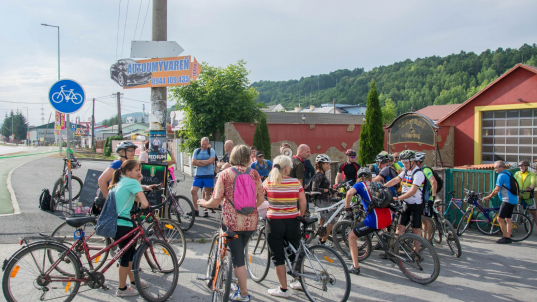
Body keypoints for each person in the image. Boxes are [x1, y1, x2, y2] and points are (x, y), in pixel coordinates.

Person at [197, 145, 265, 301]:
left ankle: (244, 294)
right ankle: (239, 288)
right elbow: (261, 199)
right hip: (250, 222)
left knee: (238, 259)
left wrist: (204, 203)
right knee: (240, 253)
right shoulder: (254, 174)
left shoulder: (225, 174)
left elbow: (215, 201)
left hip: (231, 223)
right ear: (249, 157)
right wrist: (249, 210)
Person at [264, 155, 307, 298]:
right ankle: (300, 281)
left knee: (278, 256)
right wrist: (300, 215)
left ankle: (283, 289)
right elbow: (303, 203)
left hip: (274, 222)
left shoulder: (269, 181)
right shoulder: (295, 182)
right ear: (287, 168)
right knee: (296, 251)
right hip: (293, 221)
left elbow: (260, 198)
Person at [108, 159, 151, 297]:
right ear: (128, 171)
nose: (139, 172)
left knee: (130, 254)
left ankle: (133, 282)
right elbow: (144, 203)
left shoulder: (120, 181)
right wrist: (138, 183)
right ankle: (122, 289)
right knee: (125, 258)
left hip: (116, 223)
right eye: (137, 170)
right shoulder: (131, 182)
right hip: (124, 224)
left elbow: (134, 198)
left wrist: (138, 181)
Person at [345, 168, 393, 274]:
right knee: (380, 226)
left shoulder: (359, 185)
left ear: (358, 177)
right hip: (388, 216)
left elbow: (349, 194)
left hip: (375, 219)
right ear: (370, 177)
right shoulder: (377, 184)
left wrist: (347, 207)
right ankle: (389, 245)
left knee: (351, 236)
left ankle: (355, 266)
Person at [384, 150, 425, 254]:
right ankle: (394, 250)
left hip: (416, 205)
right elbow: (396, 180)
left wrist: (398, 198)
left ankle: (415, 252)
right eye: (403, 163)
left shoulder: (418, 173)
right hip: (406, 204)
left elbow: (412, 191)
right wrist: (382, 186)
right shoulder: (406, 171)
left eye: (406, 163)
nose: (404, 165)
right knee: (400, 227)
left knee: (416, 229)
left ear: (413, 161)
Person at [483, 161, 519, 244]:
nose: (495, 169)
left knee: (500, 218)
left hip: (507, 200)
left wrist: (489, 196)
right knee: (508, 219)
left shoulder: (501, 175)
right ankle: (508, 237)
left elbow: (496, 189)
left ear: (502, 167)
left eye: (496, 167)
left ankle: (505, 237)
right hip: (514, 199)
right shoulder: (509, 173)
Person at [310, 154, 335, 245]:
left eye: (328, 163)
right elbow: (314, 189)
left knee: (323, 221)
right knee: (331, 221)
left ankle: (321, 238)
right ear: (320, 164)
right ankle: (324, 240)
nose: (328, 165)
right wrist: (326, 190)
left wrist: (330, 190)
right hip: (320, 200)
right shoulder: (319, 175)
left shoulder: (322, 174)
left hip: (322, 199)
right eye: (326, 164)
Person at [190, 137, 216, 217]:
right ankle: (195, 210)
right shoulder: (196, 151)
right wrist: (205, 162)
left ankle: (205, 209)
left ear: (208, 144)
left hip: (208, 174)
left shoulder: (211, 151)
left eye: (205, 144)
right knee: (193, 191)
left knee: (207, 192)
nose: (203, 146)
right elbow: (193, 162)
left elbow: (211, 161)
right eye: (202, 144)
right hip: (198, 175)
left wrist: (199, 161)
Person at [413, 152, 437, 240]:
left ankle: (429, 239)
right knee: (423, 219)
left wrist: (433, 196)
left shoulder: (426, 170)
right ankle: (424, 238)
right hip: (423, 198)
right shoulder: (420, 170)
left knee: (428, 220)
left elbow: (433, 181)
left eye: (415, 162)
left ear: (418, 162)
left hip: (428, 199)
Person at [514, 160, 537, 224]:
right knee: (515, 209)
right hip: (519, 195)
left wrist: (530, 187)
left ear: (526, 166)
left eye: (522, 166)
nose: (521, 167)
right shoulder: (517, 173)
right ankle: (519, 219)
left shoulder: (531, 174)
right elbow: (514, 182)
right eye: (520, 166)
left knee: (533, 212)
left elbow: (533, 182)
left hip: (528, 195)